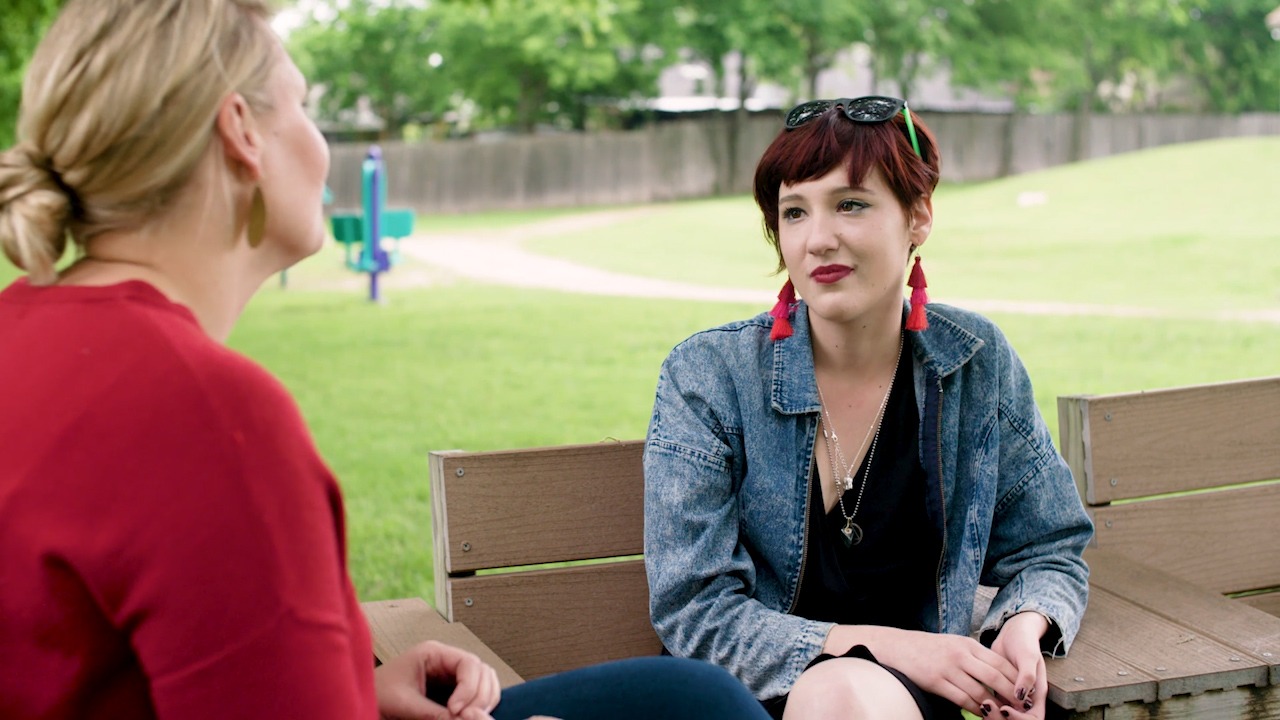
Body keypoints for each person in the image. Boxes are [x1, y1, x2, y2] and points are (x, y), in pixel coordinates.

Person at [0, 2, 773, 719]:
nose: (319, 139)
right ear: (241, 132)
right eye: (301, 104)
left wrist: (358, 693)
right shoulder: (209, 416)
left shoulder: (20, 336)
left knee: (690, 696)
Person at [643, 96, 1094, 720]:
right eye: (794, 212)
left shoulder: (972, 362)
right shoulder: (709, 376)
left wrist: (1022, 627)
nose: (818, 238)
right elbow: (694, 613)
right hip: (741, 694)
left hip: (913, 699)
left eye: (850, 204)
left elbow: (1049, 544)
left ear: (918, 217)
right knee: (843, 693)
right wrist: (892, 650)